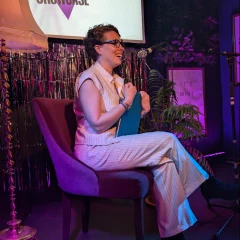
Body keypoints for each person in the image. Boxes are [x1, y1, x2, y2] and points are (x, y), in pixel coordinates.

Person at [73, 24, 239, 240]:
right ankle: (209, 186)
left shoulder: (117, 81)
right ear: (98, 48)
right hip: (95, 150)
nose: (120, 47)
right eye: (114, 42)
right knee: (168, 140)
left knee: (166, 165)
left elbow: (121, 123)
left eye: (121, 42)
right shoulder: (89, 79)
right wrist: (127, 103)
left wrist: (140, 111)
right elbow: (97, 124)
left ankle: (173, 235)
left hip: (114, 145)